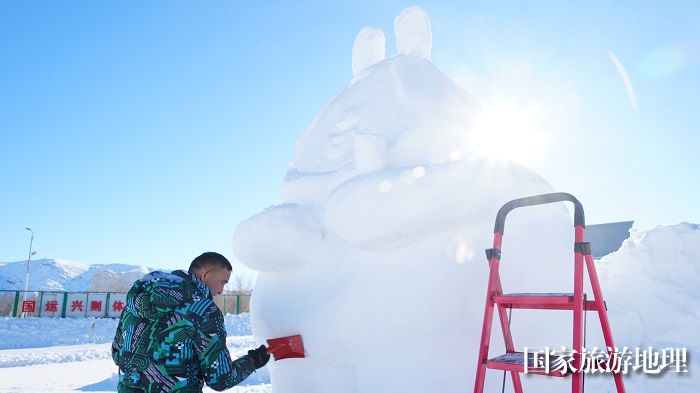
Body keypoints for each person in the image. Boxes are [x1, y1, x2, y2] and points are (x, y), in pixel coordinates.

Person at [111, 252, 270, 392]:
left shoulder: (136, 301)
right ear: (206, 274)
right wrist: (253, 361)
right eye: (223, 282)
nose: (221, 291)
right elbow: (220, 379)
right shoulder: (204, 310)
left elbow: (117, 353)